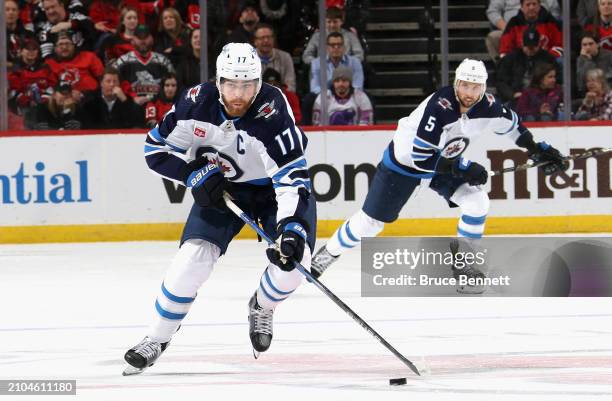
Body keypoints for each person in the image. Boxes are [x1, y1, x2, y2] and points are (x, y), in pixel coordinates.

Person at [123, 43, 317, 374]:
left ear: (259, 82)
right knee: (191, 259)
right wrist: (191, 174)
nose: (239, 94)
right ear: (218, 81)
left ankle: (262, 305)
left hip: (273, 192)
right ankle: (157, 337)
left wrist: (291, 228)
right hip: (223, 192)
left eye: (247, 85)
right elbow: (155, 150)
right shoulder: (194, 103)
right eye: (231, 84)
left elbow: (291, 180)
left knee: (297, 264)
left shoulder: (273, 112)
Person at [310, 59, 567, 294]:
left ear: (483, 88)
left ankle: (464, 263)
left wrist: (537, 150)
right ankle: (327, 255)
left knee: (477, 201)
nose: (469, 93)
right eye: (465, 85)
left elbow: (513, 127)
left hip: (445, 163)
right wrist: (464, 167)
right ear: (456, 83)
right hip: (405, 164)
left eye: (475, 87)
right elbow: (423, 158)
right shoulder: (440, 107)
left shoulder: (489, 106)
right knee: (370, 223)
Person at [114, 24, 175, 106]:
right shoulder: (122, 61)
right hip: (129, 108)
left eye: (145, 37)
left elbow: (174, 86)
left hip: (159, 108)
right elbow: (113, 85)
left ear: (152, 39)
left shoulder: (163, 61)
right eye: (139, 38)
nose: (143, 41)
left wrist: (155, 100)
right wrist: (132, 97)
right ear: (133, 39)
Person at [496, 26, 558, 106]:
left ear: (539, 43)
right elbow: (501, 82)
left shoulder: (548, 58)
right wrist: (512, 95)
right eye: (528, 47)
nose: (530, 50)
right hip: (516, 98)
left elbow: (555, 81)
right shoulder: (510, 58)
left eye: (534, 47)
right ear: (522, 43)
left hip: (541, 98)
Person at [485, 0, 560, 61]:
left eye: (534, 4)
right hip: (512, 28)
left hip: (543, 30)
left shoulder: (549, 21)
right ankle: (502, 69)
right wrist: (508, 28)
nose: (531, 7)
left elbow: (555, 11)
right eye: (528, 5)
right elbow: (493, 11)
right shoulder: (513, 23)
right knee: (493, 37)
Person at [46, 30, 105, 95]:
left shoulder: (89, 56)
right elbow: (53, 88)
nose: (65, 47)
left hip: (93, 95)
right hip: (67, 98)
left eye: (67, 44)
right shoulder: (50, 64)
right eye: (60, 44)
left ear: (74, 46)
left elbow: (102, 78)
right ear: (55, 48)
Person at [253, 23, 296, 92]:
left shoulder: (285, 57)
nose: (266, 40)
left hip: (280, 97)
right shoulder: (248, 58)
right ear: (255, 41)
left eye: (269, 37)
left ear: (273, 39)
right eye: (262, 38)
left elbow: (291, 86)